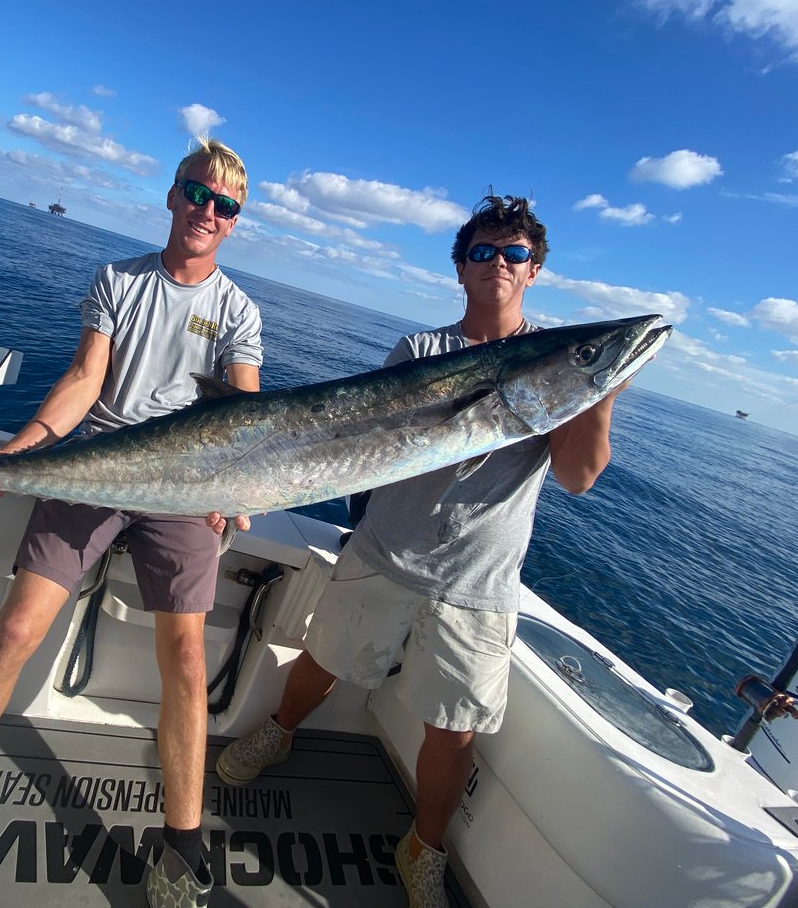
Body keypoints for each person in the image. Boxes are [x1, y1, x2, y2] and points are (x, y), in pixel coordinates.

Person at [216, 194, 625, 908]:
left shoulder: (558, 371)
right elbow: (368, 442)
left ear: (534, 272)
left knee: (454, 727)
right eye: (482, 251)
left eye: (514, 253)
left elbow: (577, 477)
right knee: (324, 662)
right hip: (385, 550)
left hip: (479, 579)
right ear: (460, 269)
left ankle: (423, 847)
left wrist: (596, 386)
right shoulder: (422, 351)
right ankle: (277, 733)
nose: (498, 262)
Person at [0, 138, 262, 908]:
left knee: (187, 661)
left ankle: (181, 847)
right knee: (17, 631)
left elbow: (248, 414)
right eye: (195, 193)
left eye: (223, 205)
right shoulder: (118, 279)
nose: (205, 211)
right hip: (99, 460)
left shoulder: (238, 312)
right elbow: (86, 378)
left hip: (185, 488)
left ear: (233, 224)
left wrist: (238, 481)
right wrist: (17, 452)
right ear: (171, 195)